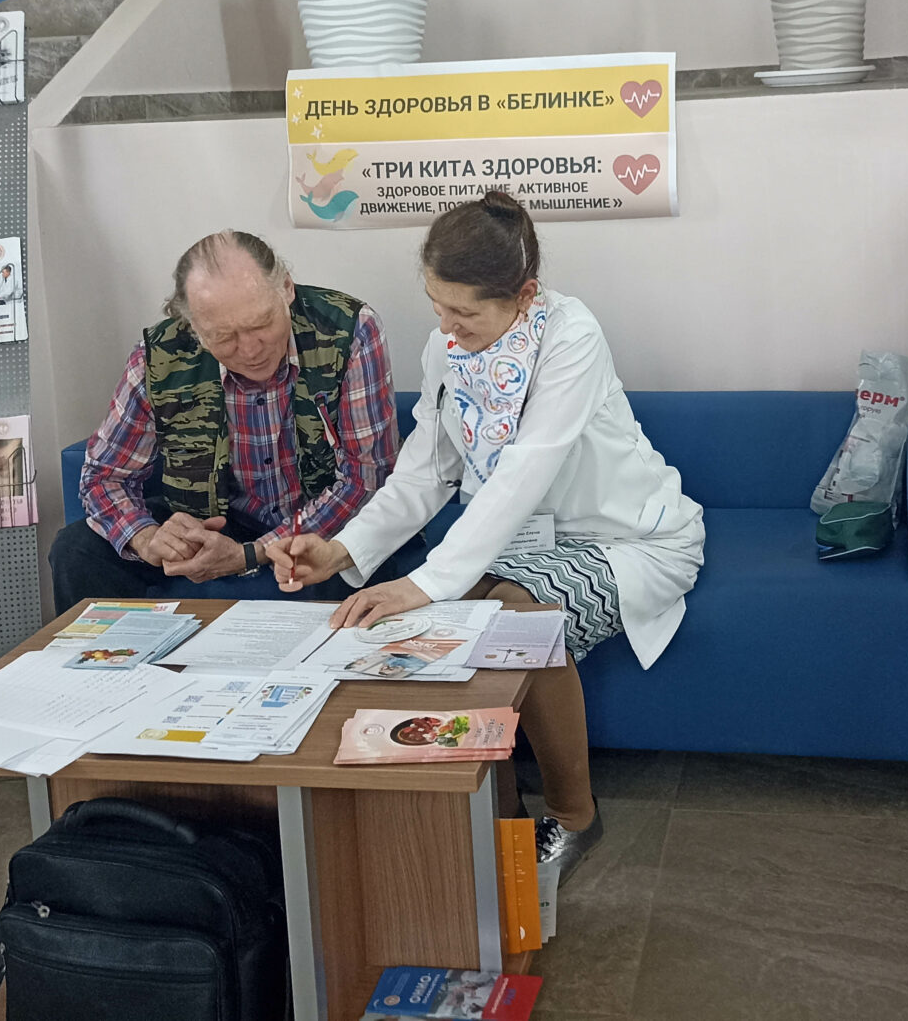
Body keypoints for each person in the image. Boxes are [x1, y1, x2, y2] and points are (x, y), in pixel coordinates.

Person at [272, 193, 706, 882]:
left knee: (515, 619)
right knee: (438, 623)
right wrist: (343, 550)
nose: (446, 327)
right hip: (523, 542)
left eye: (464, 313)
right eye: (436, 306)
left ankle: (575, 817)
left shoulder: (571, 336)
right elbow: (426, 470)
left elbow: (526, 472)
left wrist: (423, 581)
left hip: (629, 540)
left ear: (524, 295)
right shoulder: (446, 349)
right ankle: (488, 812)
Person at [50, 231, 410, 608]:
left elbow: (366, 477)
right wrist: (148, 538)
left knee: (346, 565)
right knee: (76, 550)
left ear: (286, 288)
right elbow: (104, 476)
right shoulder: (159, 357)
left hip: (319, 524)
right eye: (224, 337)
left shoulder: (348, 329)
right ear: (193, 327)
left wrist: (251, 554)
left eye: (261, 323)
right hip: (213, 521)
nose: (251, 350)